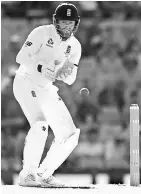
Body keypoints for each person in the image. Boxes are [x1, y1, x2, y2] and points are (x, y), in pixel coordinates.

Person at [13, 3, 82, 187]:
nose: (66, 27)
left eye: (70, 23)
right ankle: (27, 175)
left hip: (46, 88)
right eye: (63, 23)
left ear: (75, 24)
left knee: (70, 136)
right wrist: (41, 66)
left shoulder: (74, 46)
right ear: (55, 22)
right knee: (40, 125)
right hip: (25, 81)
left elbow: (71, 79)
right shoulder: (41, 33)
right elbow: (21, 57)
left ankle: (44, 174)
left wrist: (65, 74)